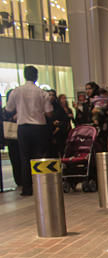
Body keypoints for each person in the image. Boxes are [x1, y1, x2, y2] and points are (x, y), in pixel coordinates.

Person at [5, 66, 53, 196]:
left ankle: (27, 188)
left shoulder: (16, 91)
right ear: (36, 76)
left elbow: (9, 109)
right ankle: (41, 186)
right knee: (40, 156)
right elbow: (48, 113)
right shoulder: (42, 93)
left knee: (24, 157)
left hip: (23, 127)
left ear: (25, 76)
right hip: (39, 127)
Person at [2, 89, 21, 187]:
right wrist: (13, 118)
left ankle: (23, 179)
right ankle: (19, 180)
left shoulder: (20, 108)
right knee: (15, 159)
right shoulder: (5, 110)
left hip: (20, 137)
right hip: (11, 138)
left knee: (22, 158)